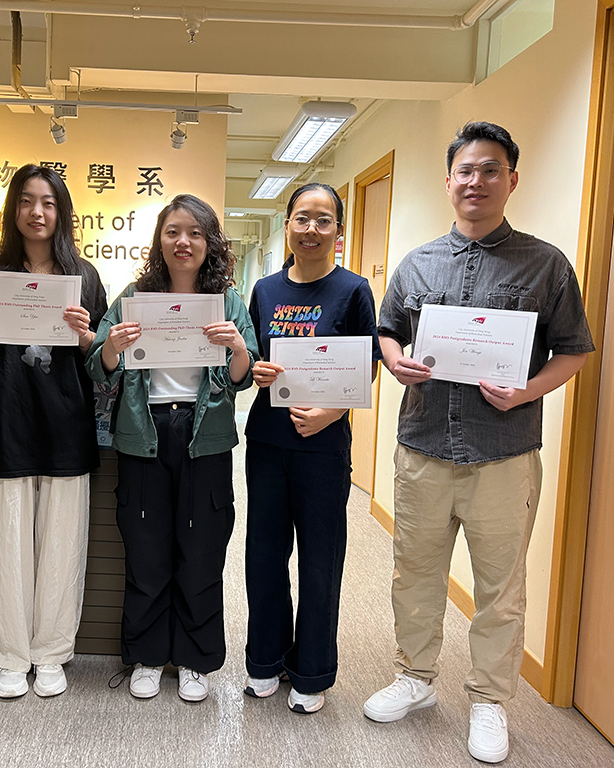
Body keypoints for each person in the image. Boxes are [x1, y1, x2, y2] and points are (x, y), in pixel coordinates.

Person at [362, 122, 594, 763]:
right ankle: (415, 679)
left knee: (501, 585)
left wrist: (525, 392)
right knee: (415, 574)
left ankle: (489, 700)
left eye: (490, 170)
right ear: (449, 181)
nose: (476, 181)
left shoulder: (546, 264)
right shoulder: (418, 263)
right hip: (424, 447)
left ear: (511, 180)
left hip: (504, 451)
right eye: (466, 170)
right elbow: (386, 332)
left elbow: (575, 351)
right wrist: (396, 358)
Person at [85, 194, 258, 703]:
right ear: (160, 240)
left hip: (204, 437)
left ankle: (194, 659)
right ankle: (145, 654)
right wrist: (113, 346)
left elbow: (242, 379)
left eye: (196, 233)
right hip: (145, 432)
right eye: (173, 232)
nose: (184, 242)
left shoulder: (228, 300)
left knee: (202, 548)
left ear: (210, 243)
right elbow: (98, 365)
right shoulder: (135, 296)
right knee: (146, 548)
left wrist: (239, 349)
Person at [0, 164, 107, 699]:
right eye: (26, 201)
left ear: (62, 212)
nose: (37, 212)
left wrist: (88, 335)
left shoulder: (84, 275)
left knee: (62, 543)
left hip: (67, 422)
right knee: (5, 540)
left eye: (48, 202)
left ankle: (50, 654)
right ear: (13, 210)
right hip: (7, 420)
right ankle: (11, 655)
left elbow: (100, 360)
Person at [242, 182, 382, 715]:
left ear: (338, 232)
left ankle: (312, 670)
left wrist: (331, 411)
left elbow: (366, 367)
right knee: (264, 554)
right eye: (302, 218)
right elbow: (252, 360)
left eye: (324, 221)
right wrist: (255, 372)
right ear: (287, 225)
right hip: (269, 443)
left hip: (324, 448)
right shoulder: (265, 290)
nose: (312, 229)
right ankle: (265, 660)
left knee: (321, 560)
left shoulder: (353, 291)